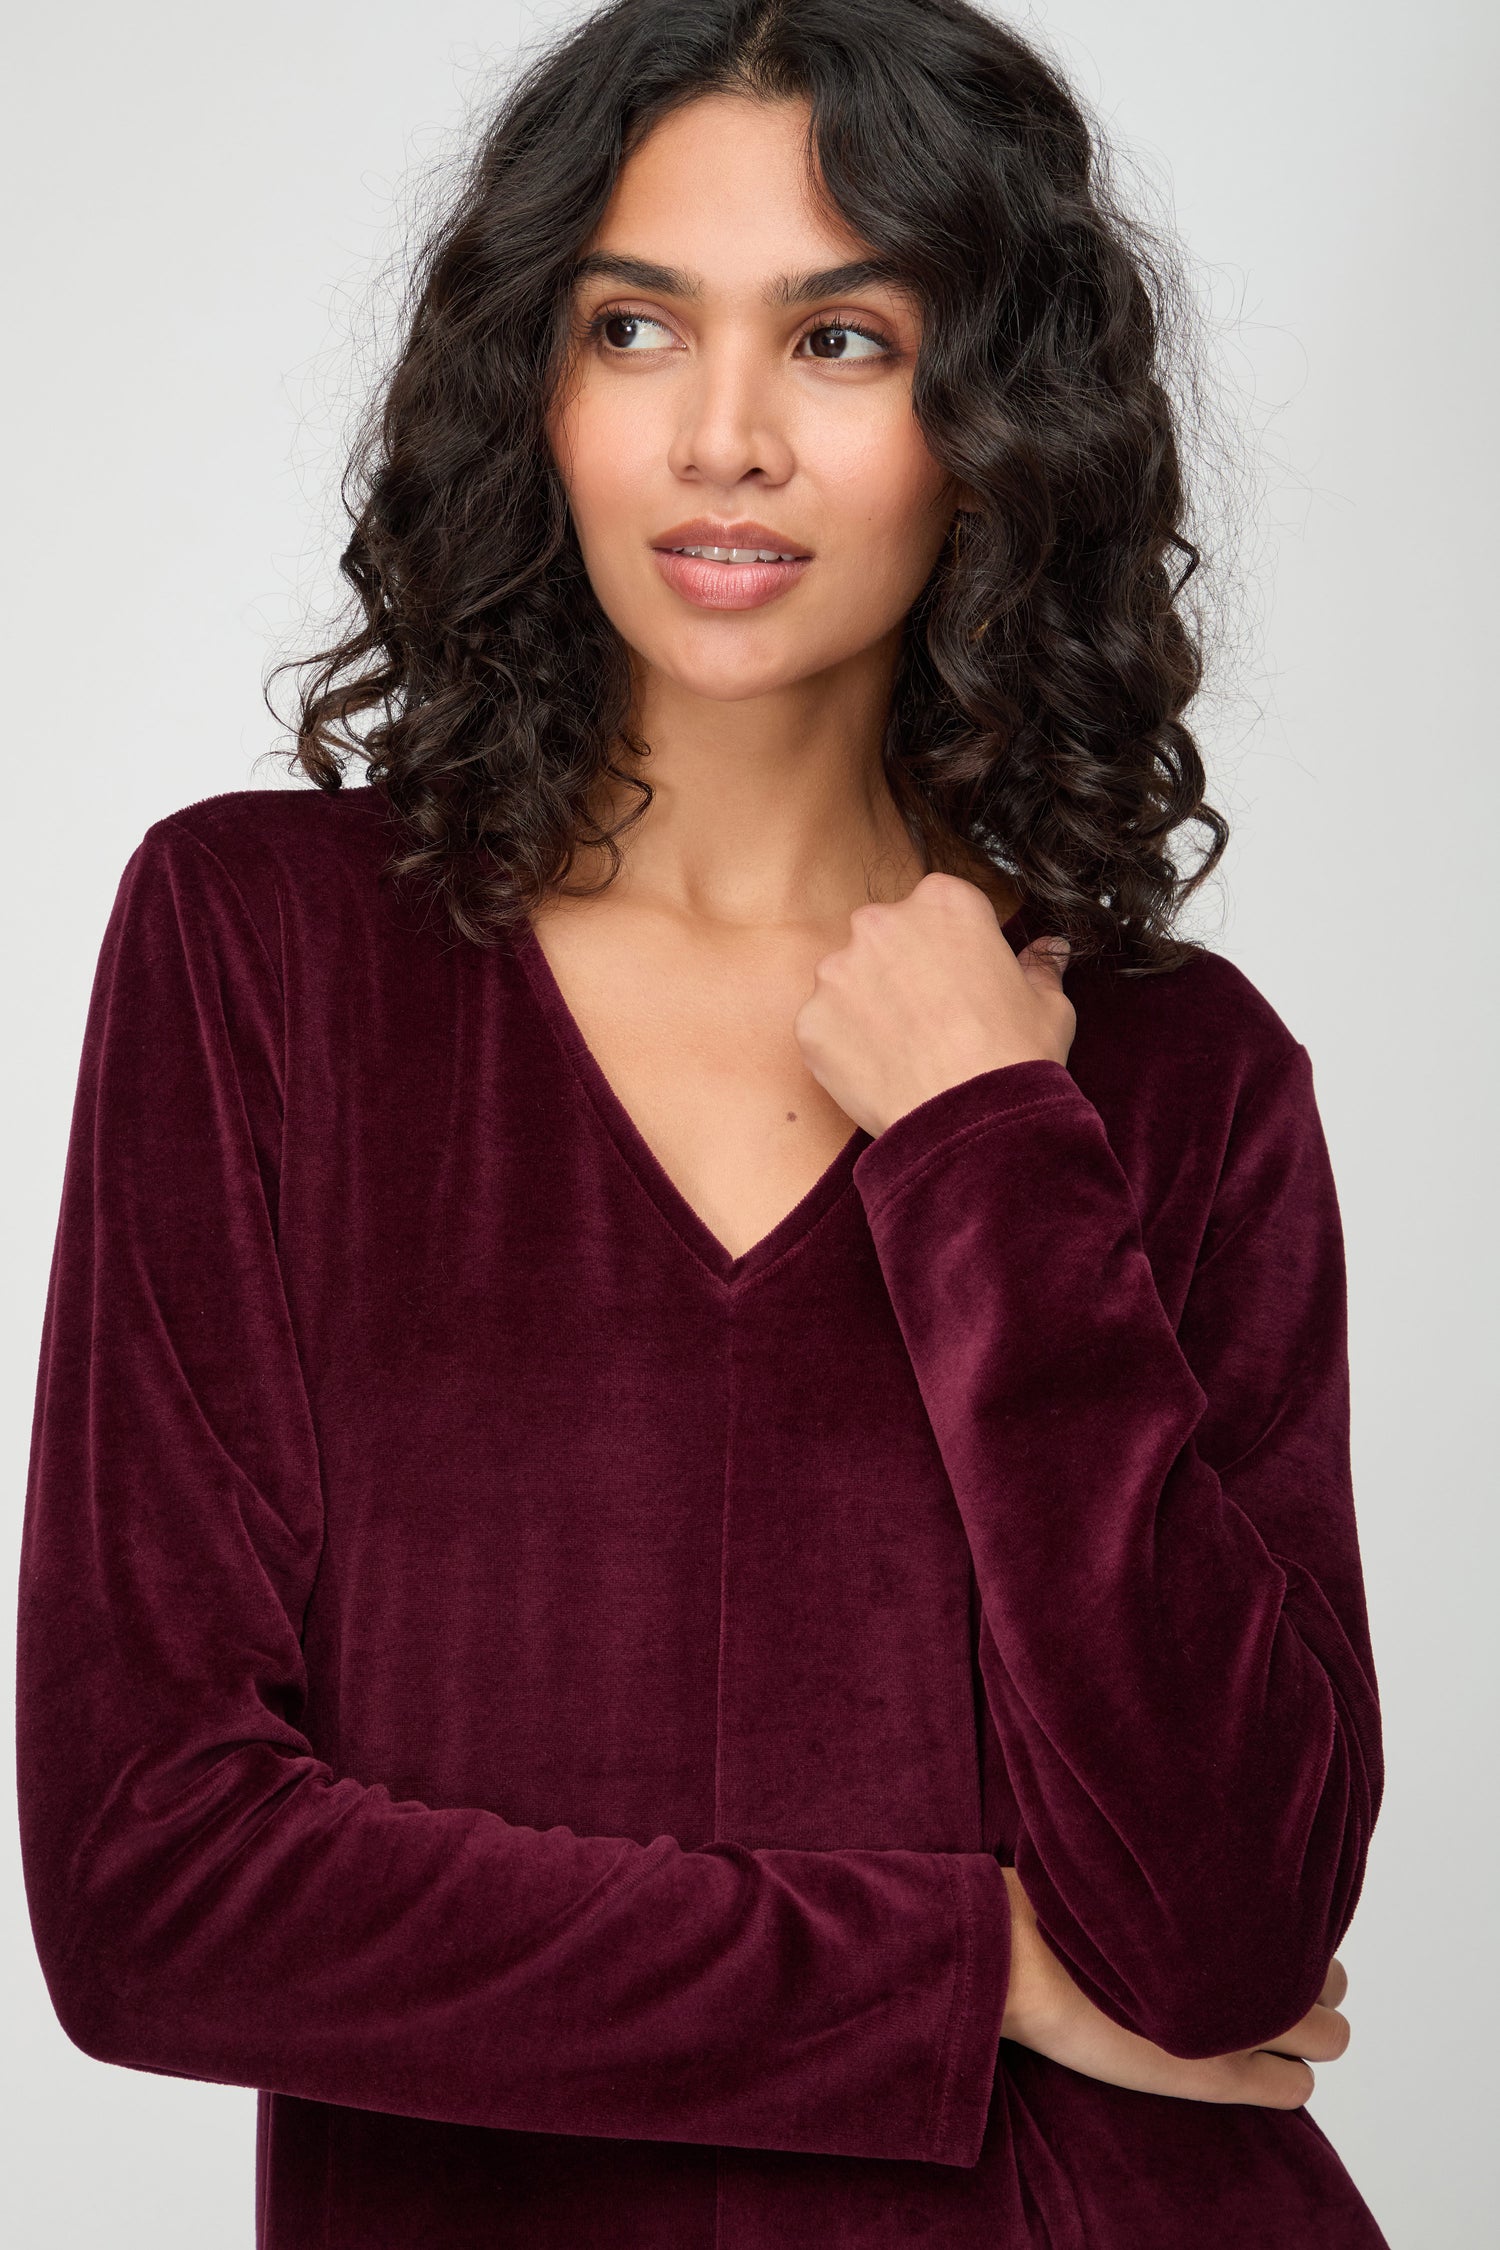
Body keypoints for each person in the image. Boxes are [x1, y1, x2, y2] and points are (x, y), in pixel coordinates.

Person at [15, 2, 1388, 2243]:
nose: (723, 436)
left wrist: (985, 1154)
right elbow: (151, 1882)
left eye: (843, 340)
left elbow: (1229, 1936)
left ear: (989, 420)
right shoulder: (261, 952)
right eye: (638, 326)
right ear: (536, 388)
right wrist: (962, 1978)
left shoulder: (1174, 1079)